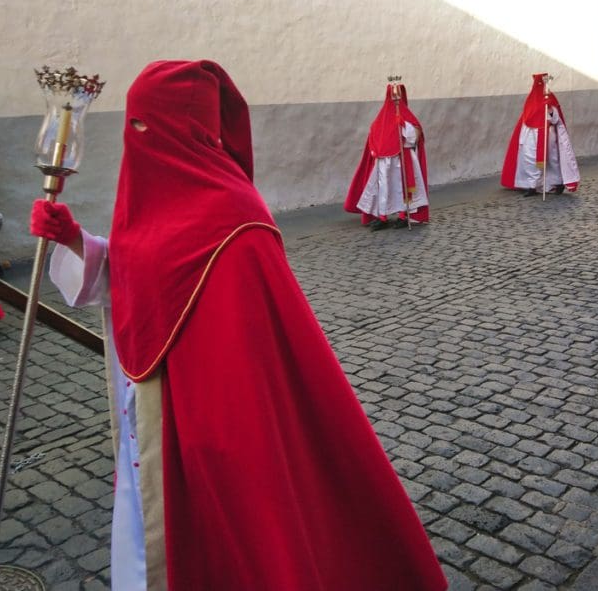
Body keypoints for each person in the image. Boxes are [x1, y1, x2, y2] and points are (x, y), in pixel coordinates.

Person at [30, 61, 447, 591]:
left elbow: (245, 365)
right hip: (153, 416)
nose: (136, 137)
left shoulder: (236, 219)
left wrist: (210, 440)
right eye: (132, 122)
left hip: (211, 431)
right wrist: (75, 241)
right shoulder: (152, 196)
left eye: (145, 123)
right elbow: (143, 270)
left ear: (185, 128)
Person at [344, 83, 429, 230]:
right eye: (393, 95)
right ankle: (382, 216)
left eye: (397, 95)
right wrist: (376, 147)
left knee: (401, 187)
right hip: (383, 162)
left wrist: (404, 125)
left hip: (402, 160)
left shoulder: (406, 114)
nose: (395, 99)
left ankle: (402, 215)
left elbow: (415, 136)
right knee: (383, 188)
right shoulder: (381, 117)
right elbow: (374, 134)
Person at [501, 73, 580, 196]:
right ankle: (532, 186)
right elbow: (526, 118)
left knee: (552, 160)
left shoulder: (550, 97)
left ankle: (557, 183)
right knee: (531, 160)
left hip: (548, 134)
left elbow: (556, 119)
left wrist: (550, 110)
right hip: (531, 135)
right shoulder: (531, 99)